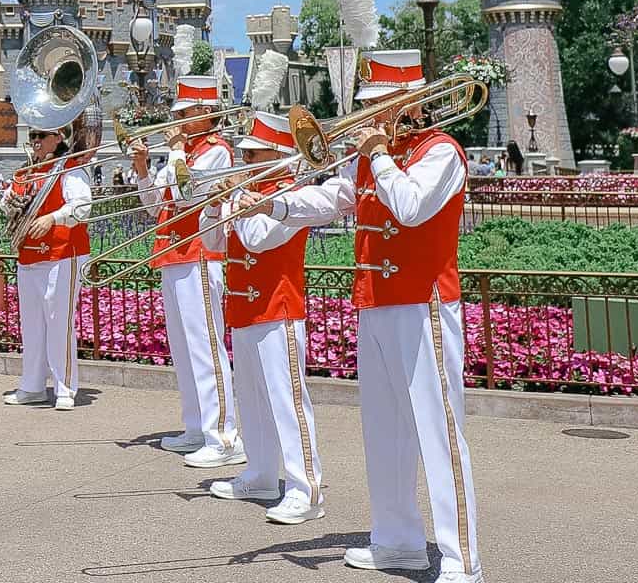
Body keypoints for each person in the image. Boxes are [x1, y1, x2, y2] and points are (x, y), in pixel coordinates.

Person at [273, 48, 483, 582]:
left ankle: (463, 562)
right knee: (383, 430)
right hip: (377, 304)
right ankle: (397, 542)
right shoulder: (375, 157)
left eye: (379, 106)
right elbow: (338, 198)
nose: (369, 116)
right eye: (367, 107)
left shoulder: (443, 152)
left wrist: (377, 153)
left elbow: (410, 207)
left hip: (424, 305)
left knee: (438, 432)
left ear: (409, 103)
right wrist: (276, 206)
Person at [199, 111, 324, 525]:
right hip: (245, 309)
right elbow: (212, 241)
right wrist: (213, 206)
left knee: (287, 402)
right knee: (251, 400)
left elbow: (257, 239)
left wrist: (233, 199)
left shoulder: (291, 193)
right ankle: (261, 473)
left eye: (255, 154)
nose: (246, 161)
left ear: (279, 155)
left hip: (279, 309)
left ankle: (306, 489)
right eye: (247, 153)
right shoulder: (248, 195)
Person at [128, 74, 241, 466]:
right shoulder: (184, 152)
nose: (177, 121)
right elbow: (152, 204)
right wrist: (143, 167)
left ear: (206, 113)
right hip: (173, 255)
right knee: (183, 348)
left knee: (205, 346)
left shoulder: (216, 151)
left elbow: (187, 195)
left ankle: (223, 435)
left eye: (185, 113)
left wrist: (175, 153)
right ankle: (197, 427)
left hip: (199, 256)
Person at [1, 120, 92, 410]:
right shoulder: (24, 172)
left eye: (41, 135)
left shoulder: (68, 169)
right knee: (31, 324)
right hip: (29, 254)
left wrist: (53, 218)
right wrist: (8, 202)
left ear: (58, 138)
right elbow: (8, 203)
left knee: (58, 322)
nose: (36, 141)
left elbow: (82, 206)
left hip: (62, 251)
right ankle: (32, 386)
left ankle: (65, 388)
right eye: (33, 135)